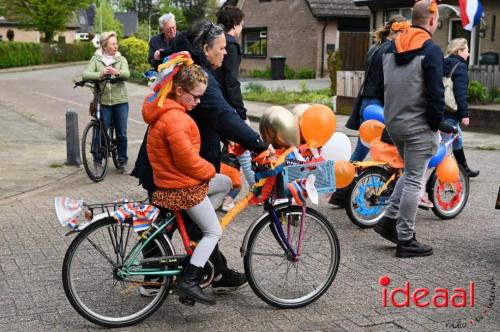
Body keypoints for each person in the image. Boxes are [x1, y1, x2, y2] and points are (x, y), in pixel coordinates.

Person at [133, 20, 268, 294]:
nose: (226, 52)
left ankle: (212, 271)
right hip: (176, 169)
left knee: (189, 220)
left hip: (171, 164)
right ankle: (159, 279)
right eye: (221, 48)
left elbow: (216, 116)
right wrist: (258, 143)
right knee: (171, 222)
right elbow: (222, 113)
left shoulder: (189, 68)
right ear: (206, 48)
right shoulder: (195, 76)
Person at [142, 51, 220, 305]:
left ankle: (193, 238)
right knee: (213, 232)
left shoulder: (166, 110)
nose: (198, 101)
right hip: (181, 187)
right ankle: (189, 280)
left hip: (171, 181)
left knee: (227, 183)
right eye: (194, 96)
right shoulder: (175, 118)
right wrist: (209, 170)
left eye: (201, 96)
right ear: (178, 90)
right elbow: (186, 160)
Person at [373, 0, 444, 258]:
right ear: (433, 20)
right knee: (415, 179)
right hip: (418, 125)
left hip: (394, 122)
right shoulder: (430, 49)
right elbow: (436, 93)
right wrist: (436, 124)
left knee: (410, 172)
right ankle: (406, 239)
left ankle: (387, 220)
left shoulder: (391, 47)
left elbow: (382, 87)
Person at [330, 15, 408, 207]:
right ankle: (388, 191)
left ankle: (340, 194)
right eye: (405, 32)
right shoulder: (391, 49)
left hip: (367, 104)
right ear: (398, 31)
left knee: (360, 152)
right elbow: (391, 81)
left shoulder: (375, 47)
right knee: (394, 149)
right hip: (377, 106)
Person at [216, 6, 256, 190]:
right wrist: (241, 113)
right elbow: (231, 82)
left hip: (215, 101)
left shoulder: (217, 42)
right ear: (235, 24)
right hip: (225, 106)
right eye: (241, 25)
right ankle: (257, 189)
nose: (242, 29)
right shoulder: (231, 46)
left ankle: (226, 190)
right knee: (244, 147)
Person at [83, 31, 130, 174]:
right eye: (113, 44)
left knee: (121, 133)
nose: (116, 46)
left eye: (116, 43)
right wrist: (101, 74)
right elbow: (85, 74)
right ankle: (98, 161)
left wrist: (117, 72)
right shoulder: (96, 59)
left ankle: (122, 161)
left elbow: (127, 74)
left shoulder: (120, 59)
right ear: (104, 46)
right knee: (100, 131)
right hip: (103, 101)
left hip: (120, 100)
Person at [443, 38, 479, 178]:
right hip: (451, 112)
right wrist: (465, 115)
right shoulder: (460, 66)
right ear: (459, 50)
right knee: (444, 144)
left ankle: (464, 169)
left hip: (441, 108)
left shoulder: (443, 62)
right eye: (467, 51)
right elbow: (460, 92)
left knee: (457, 138)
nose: (469, 54)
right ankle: (440, 173)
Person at [220, 144, 242, 212]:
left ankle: (220, 199)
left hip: (221, 163)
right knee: (237, 187)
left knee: (220, 182)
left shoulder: (229, 136)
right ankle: (226, 204)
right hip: (233, 167)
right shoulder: (244, 141)